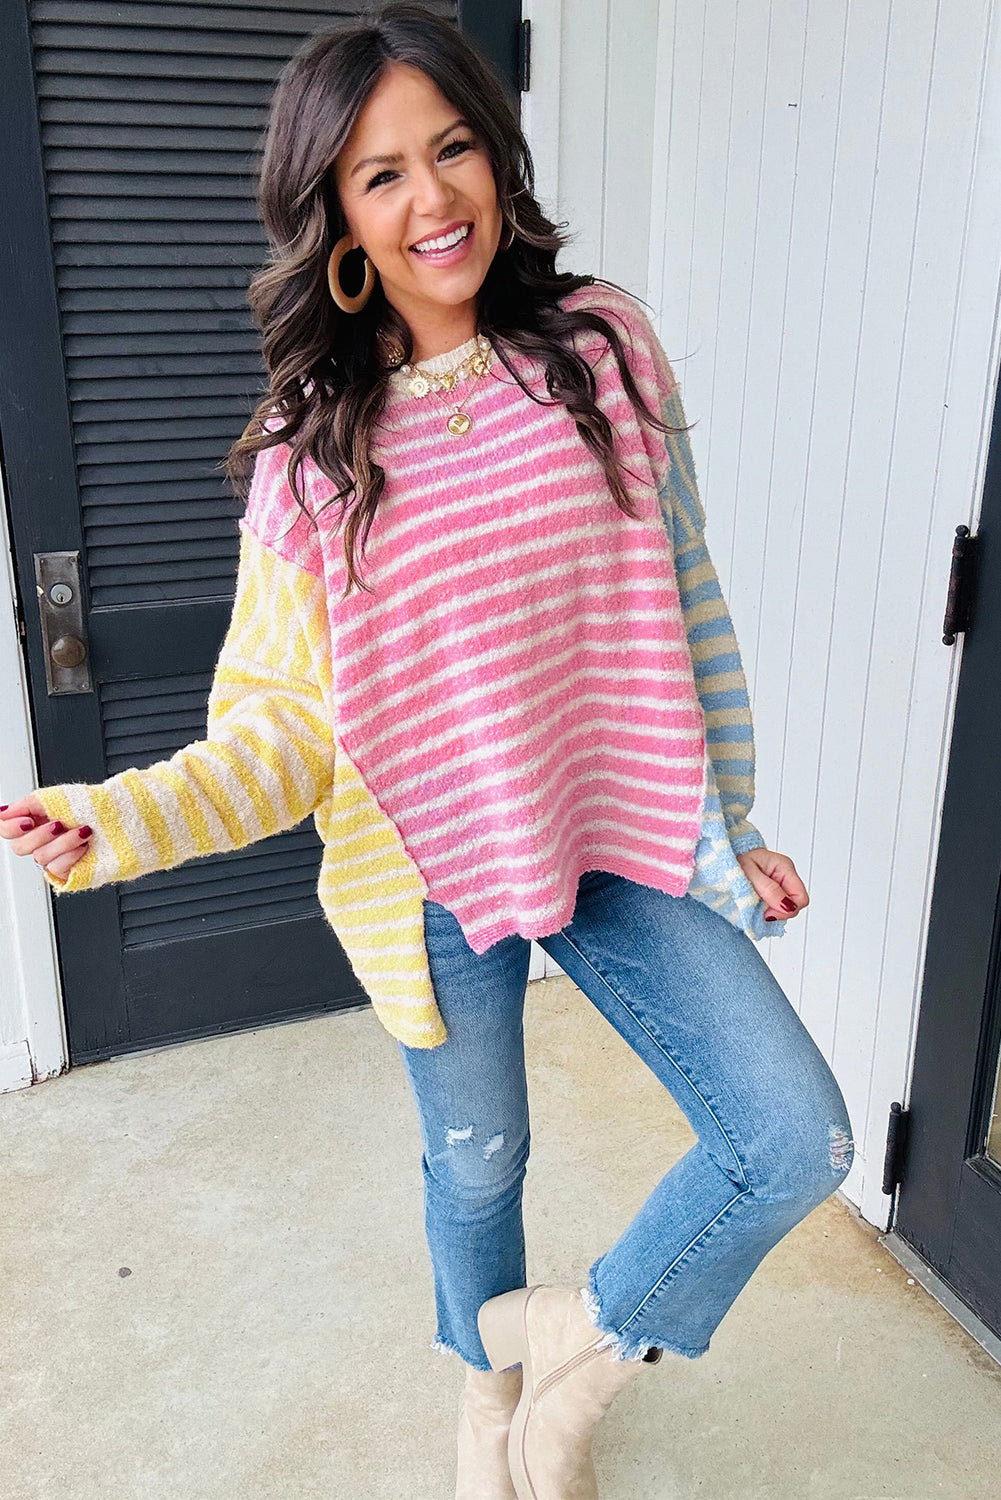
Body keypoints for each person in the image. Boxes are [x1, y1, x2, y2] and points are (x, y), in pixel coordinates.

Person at [1, 6, 854, 1497]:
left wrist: (731, 821)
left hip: (620, 828)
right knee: (477, 1161)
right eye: (380, 173)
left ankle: (576, 1356)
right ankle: (487, 1398)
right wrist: (122, 819)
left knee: (793, 1137)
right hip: (428, 869)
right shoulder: (310, 448)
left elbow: (685, 600)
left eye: (451, 149)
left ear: (498, 156)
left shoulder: (604, 347)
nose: (431, 199)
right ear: (335, 213)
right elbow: (280, 731)